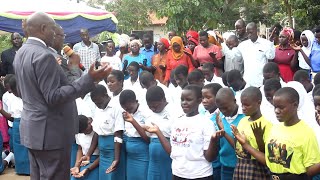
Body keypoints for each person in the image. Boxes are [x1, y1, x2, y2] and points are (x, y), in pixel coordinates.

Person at [13, 12, 112, 180]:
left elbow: (24, 92)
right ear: (43, 28)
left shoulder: (22, 52)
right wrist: (89, 80)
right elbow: (53, 97)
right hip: (50, 134)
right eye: (53, 29)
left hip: (33, 131)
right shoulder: (44, 55)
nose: (56, 34)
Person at [233, 87, 320, 179]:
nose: (277, 111)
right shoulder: (275, 129)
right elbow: (268, 161)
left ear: (295, 105)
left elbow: (310, 170)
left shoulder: (306, 133)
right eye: (275, 107)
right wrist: (245, 145)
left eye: (281, 107)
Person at [145, 85, 219, 179]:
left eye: (188, 99)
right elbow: (172, 152)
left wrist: (213, 140)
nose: (184, 103)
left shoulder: (206, 123)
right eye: (182, 99)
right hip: (178, 174)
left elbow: (210, 158)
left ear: (199, 100)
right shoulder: (177, 122)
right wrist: (158, 132)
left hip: (199, 175)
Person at [231, 87, 271, 179]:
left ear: (259, 103)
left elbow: (268, 158)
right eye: (242, 105)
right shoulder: (242, 121)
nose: (243, 108)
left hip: (256, 168)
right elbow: (237, 147)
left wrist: (258, 140)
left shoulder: (266, 125)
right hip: (241, 165)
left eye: (247, 105)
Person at [90, 85, 126, 180]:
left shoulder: (116, 107)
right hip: (103, 152)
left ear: (105, 95)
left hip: (114, 150)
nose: (97, 105)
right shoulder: (98, 109)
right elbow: (96, 132)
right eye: (95, 103)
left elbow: (118, 134)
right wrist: (88, 154)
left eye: (99, 101)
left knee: (113, 176)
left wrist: (116, 158)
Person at [215, 88, 245, 179]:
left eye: (226, 107)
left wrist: (224, 133)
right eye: (220, 108)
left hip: (243, 166)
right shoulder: (219, 117)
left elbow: (242, 148)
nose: (223, 111)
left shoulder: (244, 117)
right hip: (226, 166)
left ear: (234, 101)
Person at [120, 90, 150, 180]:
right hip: (130, 156)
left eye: (129, 108)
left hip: (143, 155)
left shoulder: (145, 112)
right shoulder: (125, 113)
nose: (128, 111)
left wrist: (133, 121)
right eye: (125, 109)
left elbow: (147, 138)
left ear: (136, 102)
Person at [238, 22, 275, 87]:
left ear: (257, 31)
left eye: (251, 32)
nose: (249, 35)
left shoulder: (265, 43)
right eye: (248, 33)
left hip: (260, 81)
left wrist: (271, 42)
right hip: (247, 82)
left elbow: (271, 56)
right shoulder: (242, 45)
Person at [201, 83, 223, 179]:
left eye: (208, 97)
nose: (204, 101)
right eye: (202, 98)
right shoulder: (202, 114)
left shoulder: (221, 116)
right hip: (203, 162)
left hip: (217, 161)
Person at [70, 115, 99, 180]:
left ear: (89, 123)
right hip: (84, 161)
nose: (84, 133)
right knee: (74, 178)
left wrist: (88, 169)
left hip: (97, 162)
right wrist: (76, 166)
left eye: (85, 130)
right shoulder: (79, 133)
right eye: (82, 132)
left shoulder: (97, 131)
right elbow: (80, 149)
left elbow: (103, 155)